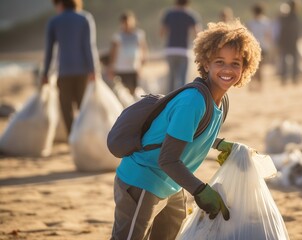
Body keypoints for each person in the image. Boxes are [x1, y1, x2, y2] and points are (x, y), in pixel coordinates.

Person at [110, 19, 261, 240]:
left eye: (235, 63)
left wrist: (219, 143)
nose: (227, 70)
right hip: (144, 180)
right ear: (206, 63)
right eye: (220, 61)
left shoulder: (221, 100)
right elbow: (167, 159)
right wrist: (200, 190)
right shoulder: (194, 101)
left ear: (245, 67)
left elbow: (192, 132)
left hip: (172, 183)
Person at [41, 0, 98, 136]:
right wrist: (93, 70)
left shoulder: (54, 21)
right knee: (83, 107)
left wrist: (45, 73)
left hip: (64, 72)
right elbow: (89, 47)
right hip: (83, 72)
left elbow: (49, 51)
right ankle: (82, 137)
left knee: (66, 108)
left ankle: (72, 136)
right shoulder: (85, 18)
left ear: (60, 4)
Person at [160, 0, 201, 93]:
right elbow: (197, 34)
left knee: (171, 79)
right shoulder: (191, 15)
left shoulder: (168, 14)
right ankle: (181, 101)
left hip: (170, 50)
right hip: (184, 51)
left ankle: (168, 101)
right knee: (182, 80)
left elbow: (162, 32)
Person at [108, 10, 148, 95]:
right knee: (122, 93)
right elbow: (113, 52)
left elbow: (143, 49)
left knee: (134, 91)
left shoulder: (139, 34)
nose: (127, 25)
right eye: (125, 23)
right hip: (121, 68)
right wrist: (112, 66)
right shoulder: (117, 36)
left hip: (134, 68)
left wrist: (142, 66)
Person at [246, 2, 273, 90]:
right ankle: (260, 85)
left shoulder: (250, 22)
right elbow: (268, 35)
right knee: (260, 67)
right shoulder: (266, 22)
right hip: (263, 47)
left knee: (252, 66)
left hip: (252, 47)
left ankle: (253, 85)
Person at [276, 0, 302, 84]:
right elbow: (297, 31)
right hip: (293, 41)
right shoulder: (296, 17)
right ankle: (294, 78)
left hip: (285, 41)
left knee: (284, 60)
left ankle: (284, 78)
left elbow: (281, 30)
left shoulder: (284, 17)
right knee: (294, 61)